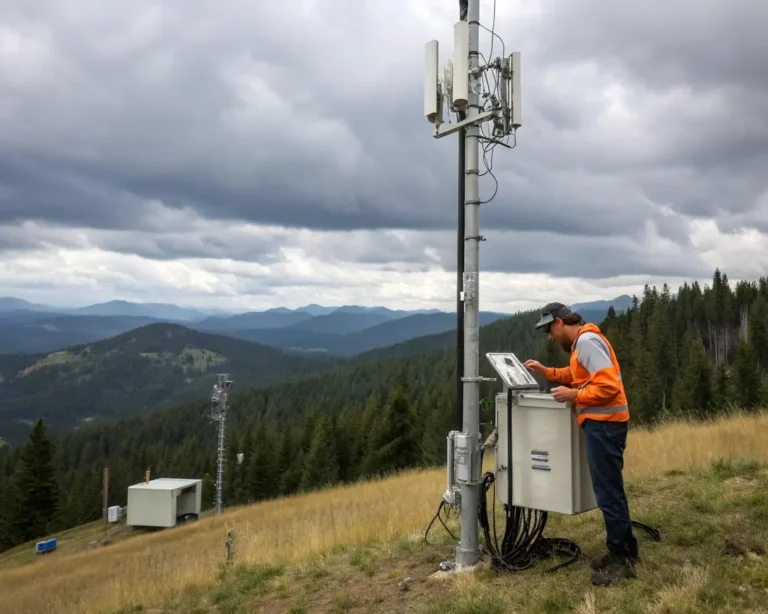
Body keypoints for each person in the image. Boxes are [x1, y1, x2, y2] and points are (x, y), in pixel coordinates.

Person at [523, 302, 638, 586]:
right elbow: (577, 376)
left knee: (609, 493)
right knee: (610, 490)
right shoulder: (580, 346)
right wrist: (546, 372)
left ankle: (623, 559)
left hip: (605, 427)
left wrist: (574, 395)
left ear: (560, 322)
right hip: (603, 426)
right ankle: (624, 550)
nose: (550, 336)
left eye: (550, 329)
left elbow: (608, 386)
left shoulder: (586, 342)